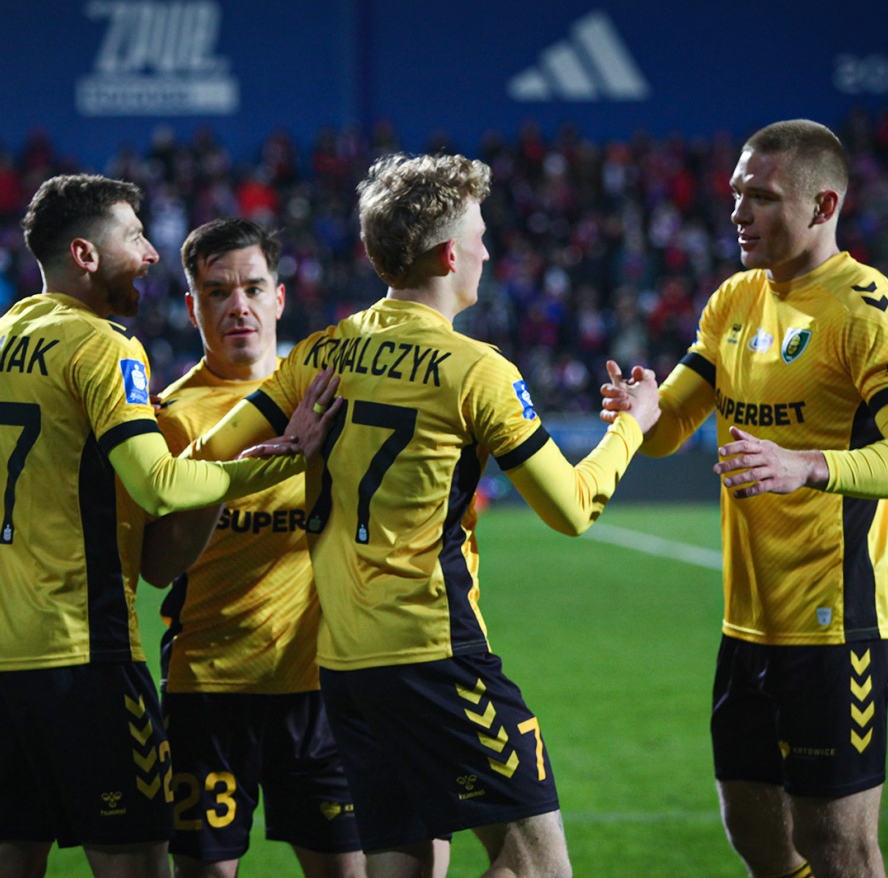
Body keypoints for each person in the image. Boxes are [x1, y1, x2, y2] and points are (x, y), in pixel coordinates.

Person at [183, 153, 660, 878]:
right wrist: (632, 426)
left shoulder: (321, 352)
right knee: (539, 868)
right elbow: (571, 508)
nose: (487, 252)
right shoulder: (476, 370)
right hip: (434, 654)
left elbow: (203, 460)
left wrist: (280, 458)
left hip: (345, 669)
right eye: (480, 237)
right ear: (447, 254)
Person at [0, 175, 339, 878]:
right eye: (135, 236)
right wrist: (275, 463)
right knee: (134, 860)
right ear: (86, 254)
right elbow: (157, 486)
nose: (150, 253)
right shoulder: (102, 345)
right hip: (83, 647)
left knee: (8, 856)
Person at [602, 119, 888, 878]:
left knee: (838, 845)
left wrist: (810, 467)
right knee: (755, 832)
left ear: (824, 206)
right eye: (736, 194)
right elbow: (671, 427)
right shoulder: (734, 299)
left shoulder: (868, 312)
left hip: (839, 624)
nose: (738, 212)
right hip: (751, 622)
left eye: (760, 197)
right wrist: (642, 412)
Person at [145, 217, 366, 878]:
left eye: (252, 288)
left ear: (279, 298)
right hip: (209, 687)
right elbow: (158, 565)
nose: (237, 305)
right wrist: (238, 471)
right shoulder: (170, 417)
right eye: (217, 292)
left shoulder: (331, 396)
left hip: (319, 687)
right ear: (193, 307)